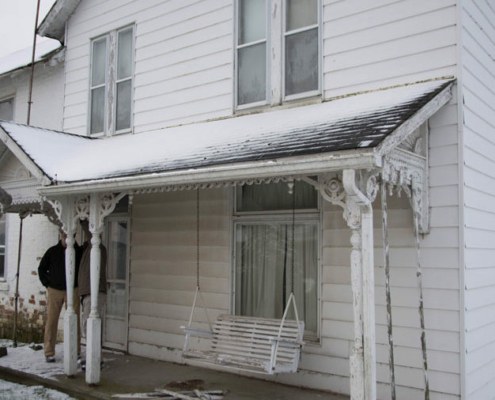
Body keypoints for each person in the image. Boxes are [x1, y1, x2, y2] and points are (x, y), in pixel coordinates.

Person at [38, 231, 81, 363]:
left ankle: (76, 350)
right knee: (51, 320)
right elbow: (41, 269)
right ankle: (49, 351)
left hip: (72, 289)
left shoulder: (78, 251)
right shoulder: (52, 251)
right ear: (61, 234)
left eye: (69, 233)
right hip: (55, 290)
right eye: (64, 232)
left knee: (75, 320)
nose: (66, 235)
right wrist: (48, 285)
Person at [78, 220, 107, 368]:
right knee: (88, 326)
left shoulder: (98, 249)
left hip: (93, 293)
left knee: (91, 327)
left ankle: (94, 359)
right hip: (88, 293)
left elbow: (89, 231)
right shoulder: (89, 250)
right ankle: (92, 356)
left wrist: (83, 220)